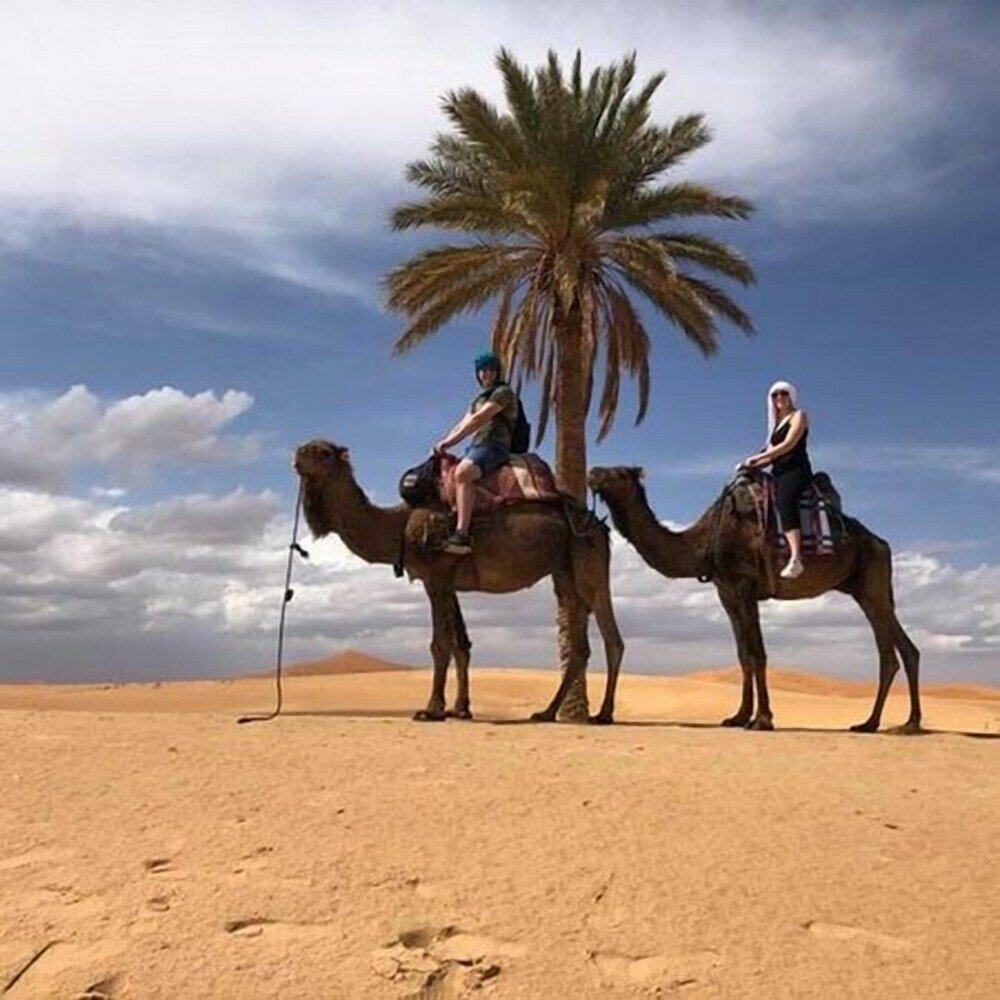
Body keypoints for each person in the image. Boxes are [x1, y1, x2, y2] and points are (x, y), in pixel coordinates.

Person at [433, 352, 519, 554]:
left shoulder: (503, 393)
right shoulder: (477, 399)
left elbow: (479, 419)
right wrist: (443, 444)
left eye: (490, 369)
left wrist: (450, 441)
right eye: (482, 370)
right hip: (477, 446)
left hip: (494, 445)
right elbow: (462, 423)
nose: (486, 373)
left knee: (463, 473)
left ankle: (462, 534)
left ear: (497, 372)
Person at [741, 380, 813, 579]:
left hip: (796, 470)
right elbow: (769, 453)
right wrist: (750, 465)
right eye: (775, 395)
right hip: (778, 472)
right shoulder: (774, 428)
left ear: (791, 396)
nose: (779, 398)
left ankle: (796, 558)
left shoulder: (799, 416)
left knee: (784, 500)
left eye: (783, 393)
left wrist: (760, 457)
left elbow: (789, 444)